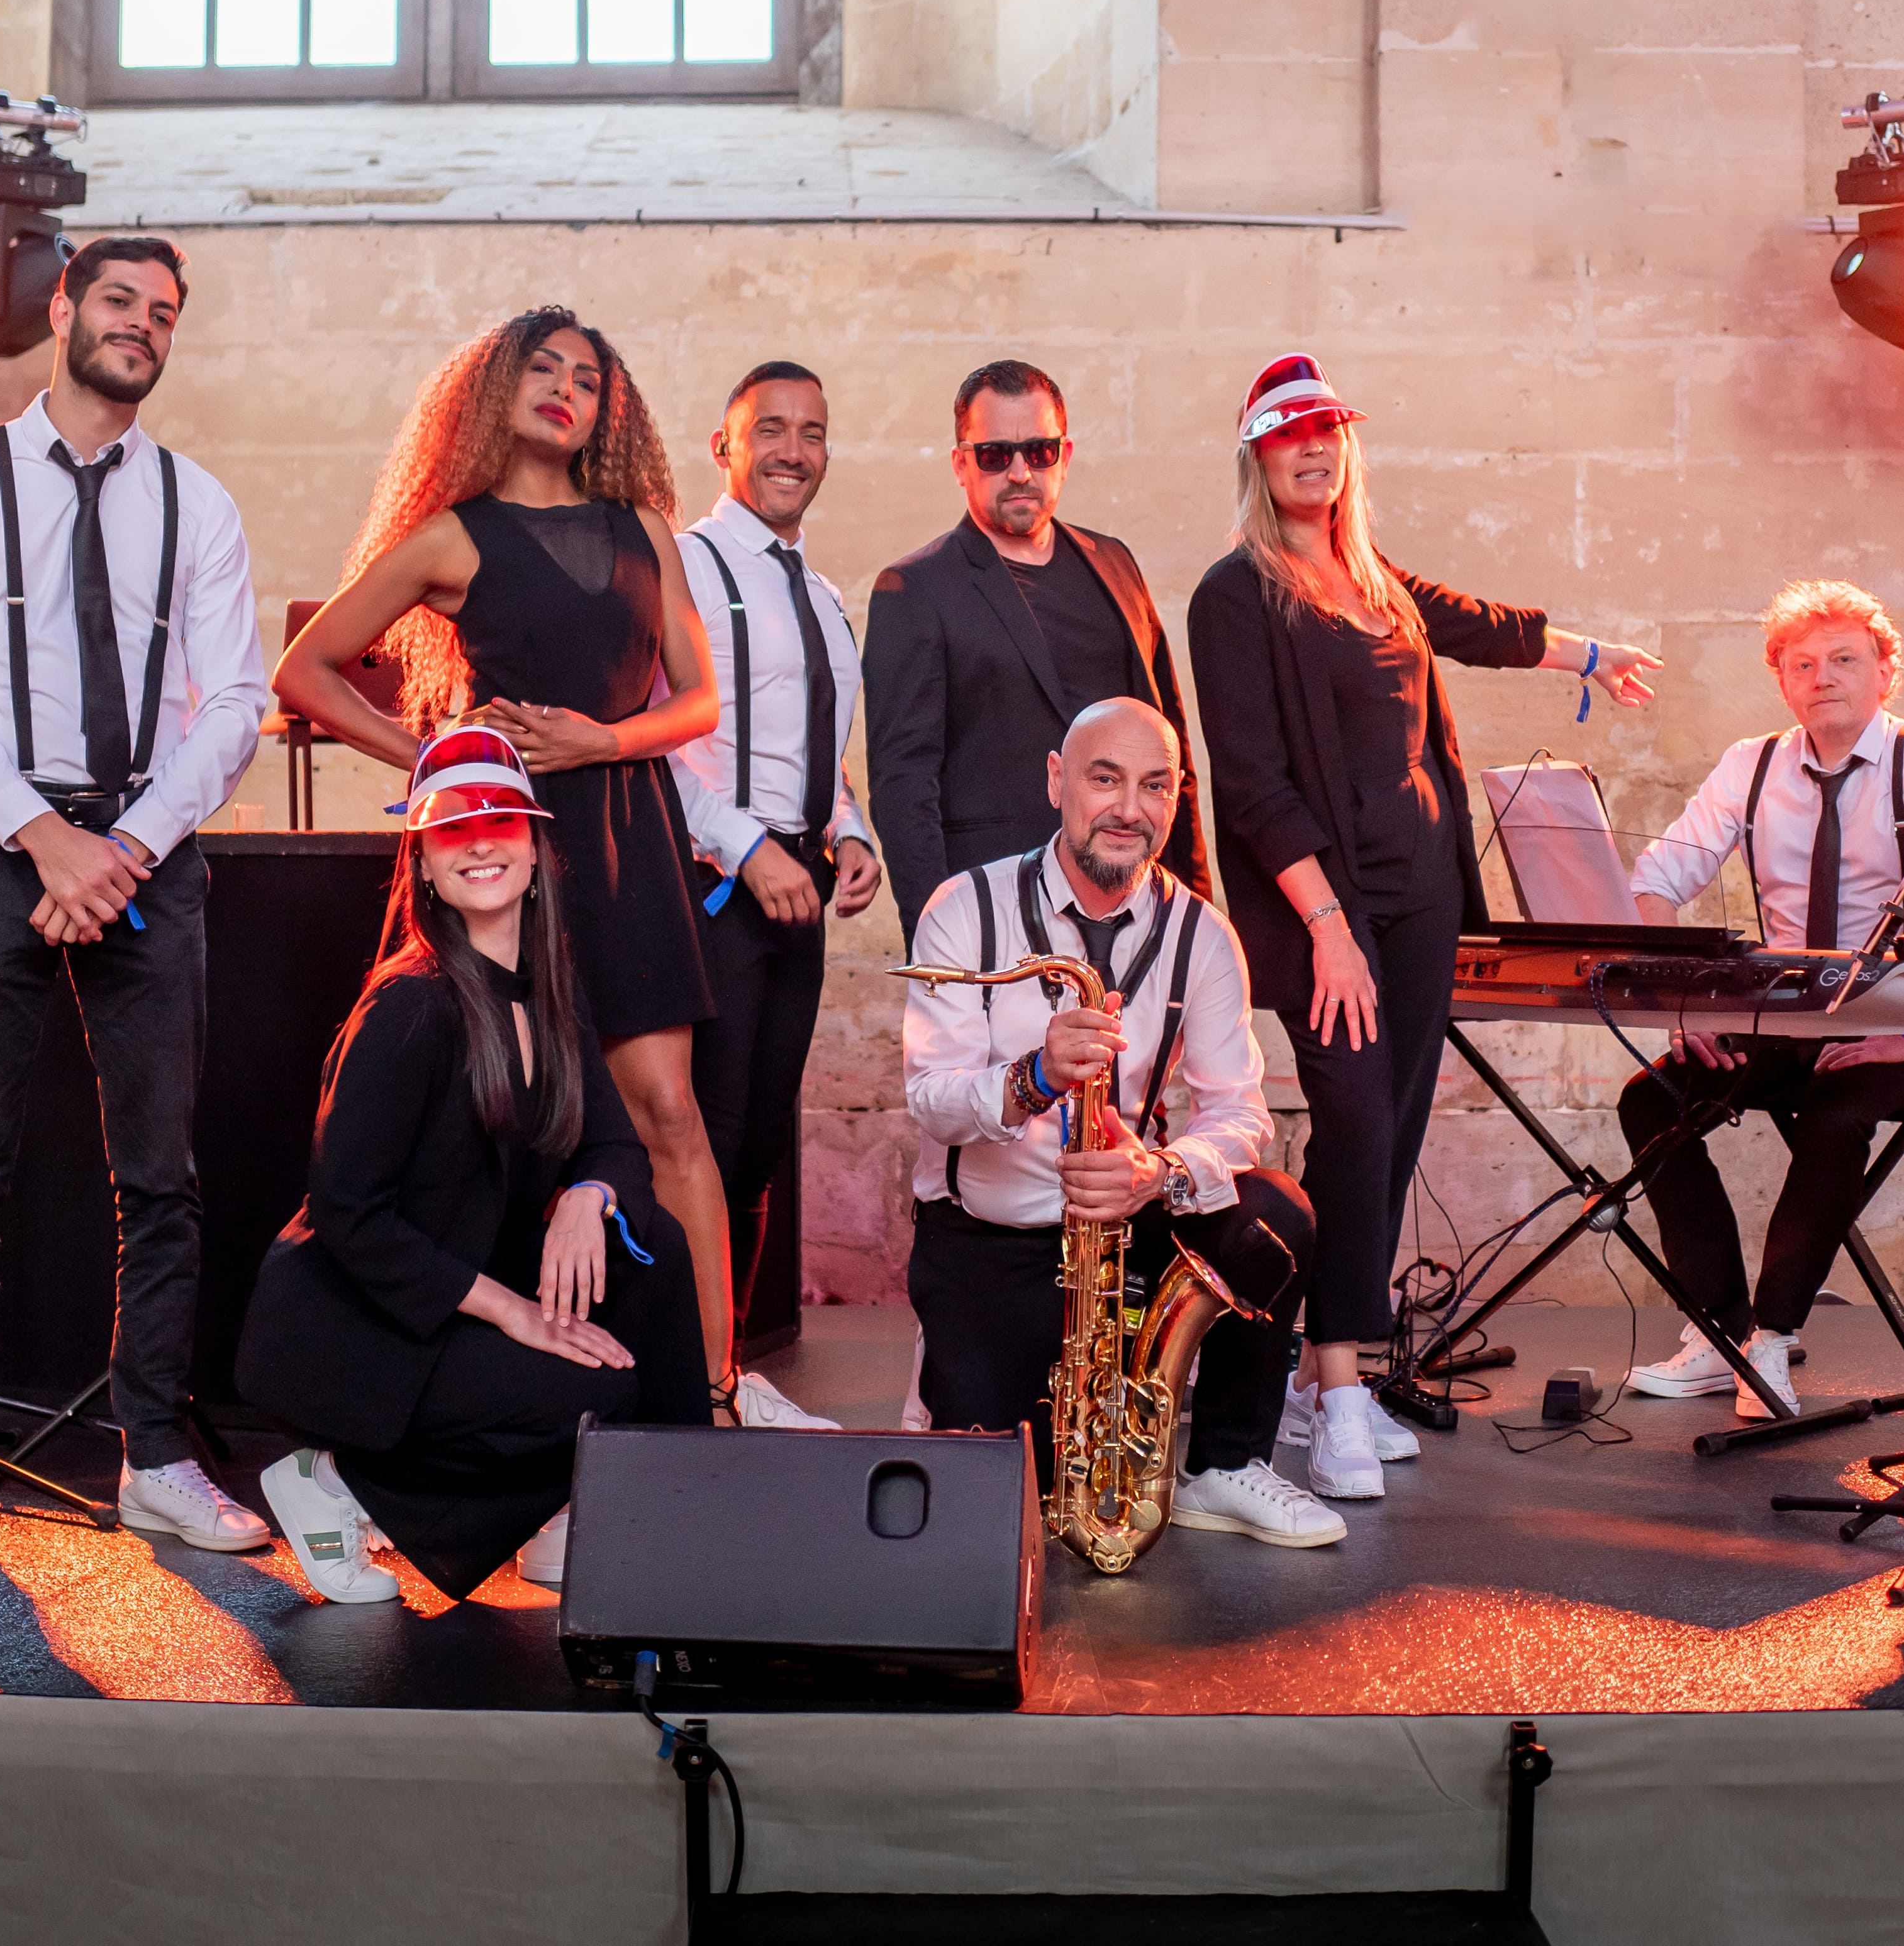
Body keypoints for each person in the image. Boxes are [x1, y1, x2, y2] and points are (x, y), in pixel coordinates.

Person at [276, 306, 771, 1421]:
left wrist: (602, 739)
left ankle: (713, 1390)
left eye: (587, 377)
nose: (564, 388)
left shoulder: (646, 524)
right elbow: (303, 673)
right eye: (539, 368)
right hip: (506, 854)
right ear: (492, 391)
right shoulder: (453, 534)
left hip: (628, 835)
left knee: (671, 1117)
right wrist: (446, 767)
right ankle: (509, 1397)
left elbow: (700, 701)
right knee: (497, 1126)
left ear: (610, 407)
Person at [1183, 353, 1662, 1501]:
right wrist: (1327, 925)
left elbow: (1478, 625)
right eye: (1291, 434)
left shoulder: (1374, 579)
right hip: (1328, 910)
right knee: (1348, 1125)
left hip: (1424, 895)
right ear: (1257, 456)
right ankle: (1343, 1387)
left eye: (1329, 431)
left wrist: (1587, 654)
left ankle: (1315, 1381)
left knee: (1392, 1134)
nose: (1315, 448)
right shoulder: (1235, 593)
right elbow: (1249, 784)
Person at [0, 234, 272, 1575]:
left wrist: (127, 848)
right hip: (1, 841)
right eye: (119, 301)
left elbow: (234, 707)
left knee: (161, 1176)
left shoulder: (198, 506)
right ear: (61, 309)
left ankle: (157, 1454)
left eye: (164, 312)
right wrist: (47, 840)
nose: (141, 326)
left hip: (149, 848)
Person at [235, 728, 709, 1607]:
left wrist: (586, 1196)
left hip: (462, 1282)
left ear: (534, 852)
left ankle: (663, 1513)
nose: (481, 841)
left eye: (501, 822)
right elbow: (349, 1213)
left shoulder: (550, 994)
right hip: (363, 1323)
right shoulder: (410, 1006)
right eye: (453, 829)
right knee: (583, 1391)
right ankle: (335, 1483)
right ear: (421, 865)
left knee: (651, 1244)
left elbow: (612, 1143)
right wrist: (515, 1313)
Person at [901, 699, 1340, 1549]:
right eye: (1104, 780)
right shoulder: (965, 909)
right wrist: (1031, 1077)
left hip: (1124, 1224)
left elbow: (1240, 1112)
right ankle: (945, 1379)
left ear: (1177, 798)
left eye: (1153, 787)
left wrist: (1160, 1172)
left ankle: (1222, 1465)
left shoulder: (1202, 935)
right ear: (1058, 781)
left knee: (1277, 1216)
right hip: (990, 1237)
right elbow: (929, 1099)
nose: (1128, 810)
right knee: (1002, 1513)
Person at [1615, 580, 1904, 1418]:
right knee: (1650, 1101)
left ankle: (1770, 1339)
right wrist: (1693, 1009)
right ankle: (1718, 1337)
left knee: (1837, 1115)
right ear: (1781, 679)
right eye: (1802, 664)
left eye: (1843, 660)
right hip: (1788, 1012)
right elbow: (1654, 881)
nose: (1822, 676)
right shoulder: (1749, 766)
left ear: (1882, 673)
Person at [668, 362, 881, 1422]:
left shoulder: (826, 595)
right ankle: (683, 1379)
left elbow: (814, 755)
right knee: (696, 1144)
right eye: (772, 430)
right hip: (713, 896)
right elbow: (665, 744)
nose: (794, 450)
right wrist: (748, 847)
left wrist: (849, 834)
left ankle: (728, 1368)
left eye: (814, 431)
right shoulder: (687, 567)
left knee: (756, 1149)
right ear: (725, 447)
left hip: (795, 899)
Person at [863, 360, 1206, 945]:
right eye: (996, 454)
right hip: (999, 913)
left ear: (1065, 457)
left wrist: (1193, 909)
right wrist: (937, 940)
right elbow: (903, 785)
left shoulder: (1114, 562)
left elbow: (1170, 745)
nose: (1021, 471)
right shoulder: (915, 588)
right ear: (961, 464)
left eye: (1040, 452)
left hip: (1137, 905)